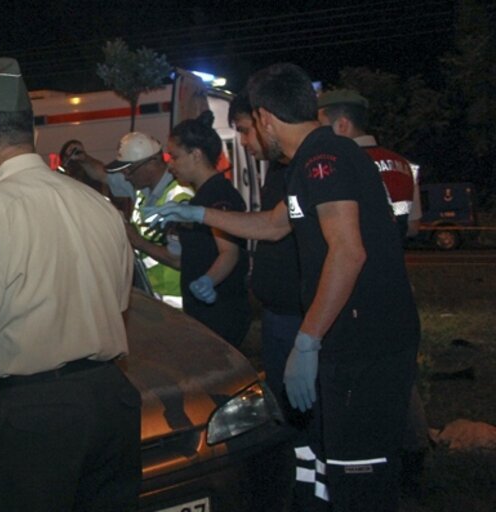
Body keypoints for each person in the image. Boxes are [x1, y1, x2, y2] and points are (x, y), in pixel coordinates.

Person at [152, 63, 420, 512]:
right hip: (351, 342)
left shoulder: (324, 160)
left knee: (361, 484)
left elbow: (348, 252)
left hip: (366, 345)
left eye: (250, 124)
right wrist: (199, 216)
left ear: (264, 118)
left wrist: (308, 339)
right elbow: (275, 226)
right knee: (340, 471)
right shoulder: (307, 161)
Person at [0, 57, 140, 511]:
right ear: (34, 136)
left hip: (35, 422)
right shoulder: (99, 207)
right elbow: (119, 311)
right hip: (112, 404)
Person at [317, 88, 431, 498]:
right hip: (398, 278)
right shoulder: (401, 163)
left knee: (366, 381)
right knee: (400, 374)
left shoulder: (344, 163)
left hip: (361, 283)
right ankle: (413, 452)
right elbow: (413, 226)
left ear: (342, 123)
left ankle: (366, 462)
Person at [229, 94, 303, 414]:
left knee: (302, 409)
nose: (244, 141)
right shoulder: (276, 169)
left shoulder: (298, 169)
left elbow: (274, 226)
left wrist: (201, 215)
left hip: (298, 316)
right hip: (277, 313)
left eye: (246, 130)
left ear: (265, 122)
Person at [162, 113, 250, 347]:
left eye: (175, 157)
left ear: (196, 155)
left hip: (220, 313)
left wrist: (208, 281)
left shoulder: (218, 195)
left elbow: (229, 252)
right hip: (205, 312)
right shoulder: (201, 195)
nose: (170, 165)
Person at [317, 89, 422, 238]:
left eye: (320, 126)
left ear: (342, 125)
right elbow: (412, 227)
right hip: (394, 256)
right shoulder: (405, 165)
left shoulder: (335, 164)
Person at [107, 132, 194, 309]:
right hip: (156, 299)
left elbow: (179, 259)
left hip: (180, 304)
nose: (126, 176)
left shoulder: (179, 199)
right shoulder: (143, 194)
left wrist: (136, 241)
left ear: (152, 162)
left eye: (129, 169)